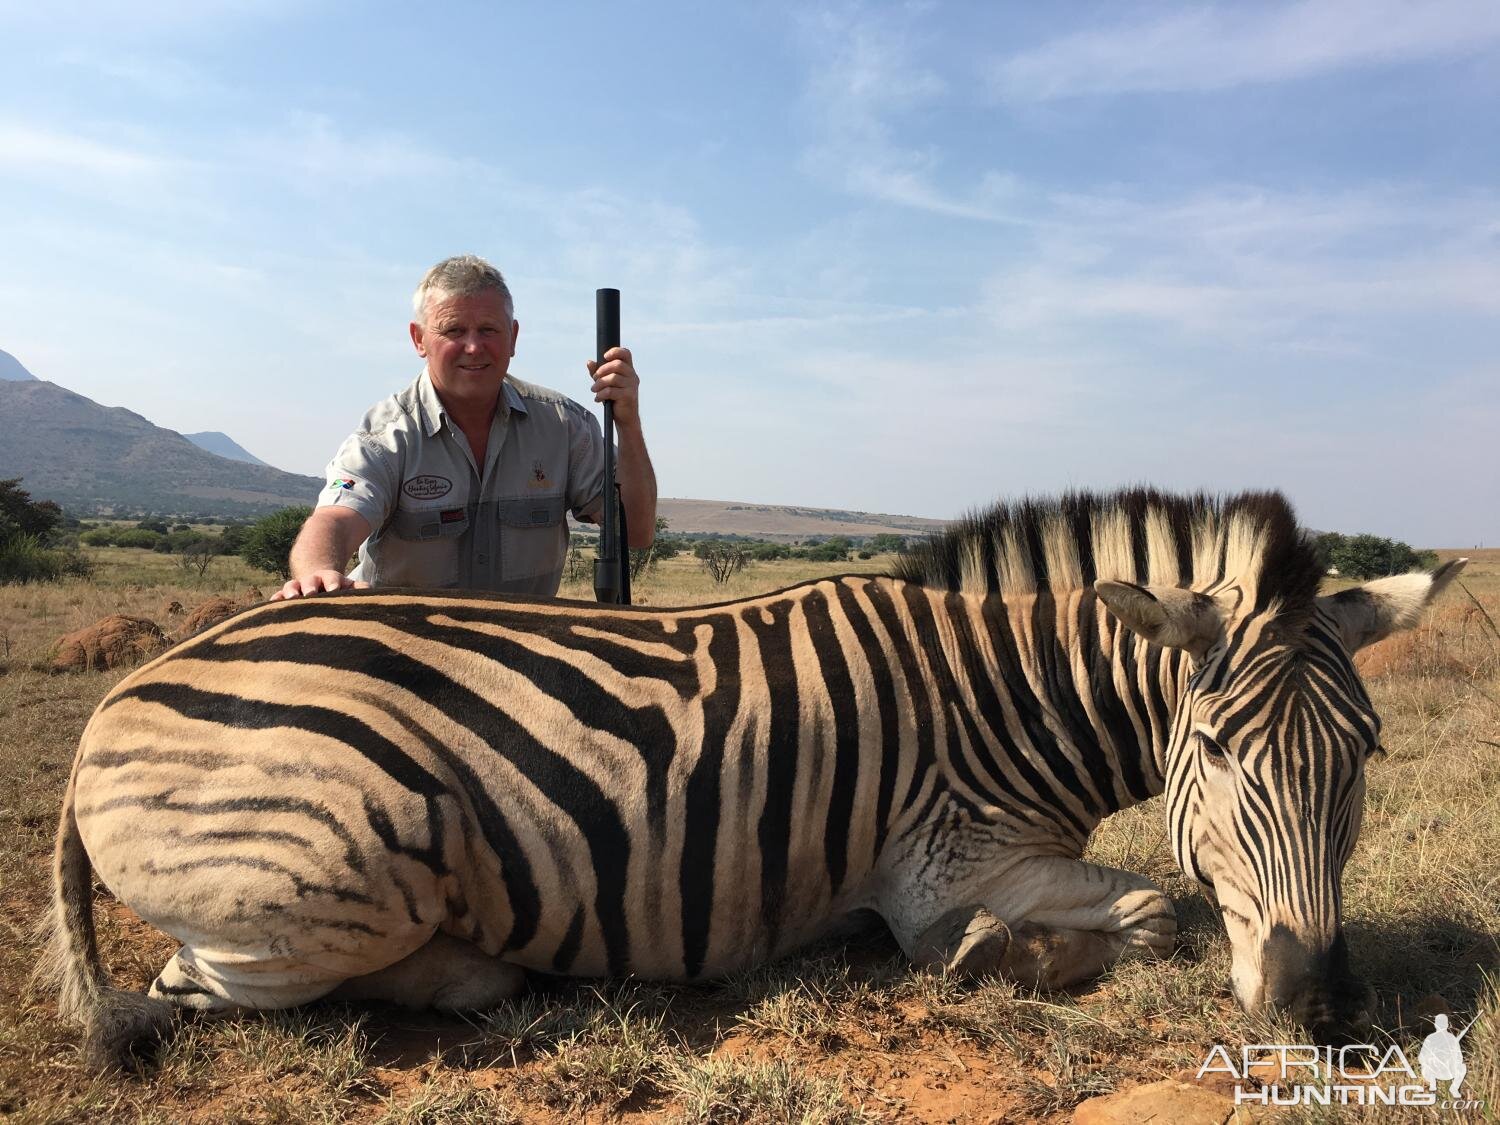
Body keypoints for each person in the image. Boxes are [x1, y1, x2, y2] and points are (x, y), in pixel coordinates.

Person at [274, 255, 656, 600]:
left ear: (513, 337)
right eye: (453, 330)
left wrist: (629, 424)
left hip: (529, 654)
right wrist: (318, 572)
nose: (473, 347)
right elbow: (335, 520)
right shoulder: (386, 437)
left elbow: (635, 532)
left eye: (488, 330)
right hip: (409, 654)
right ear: (419, 339)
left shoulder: (563, 425)